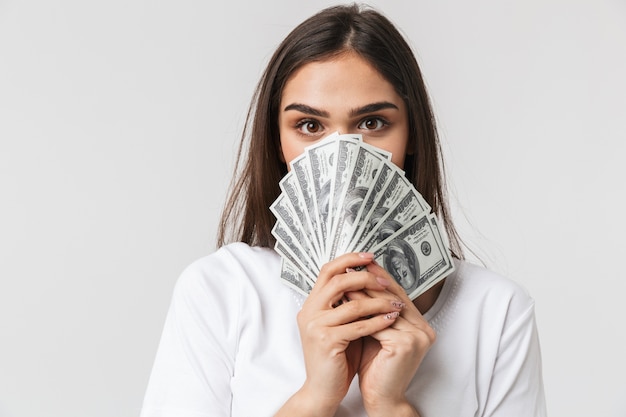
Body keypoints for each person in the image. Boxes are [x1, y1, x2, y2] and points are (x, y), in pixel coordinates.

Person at [140, 4, 546, 417]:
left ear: (414, 135)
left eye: (371, 123)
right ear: (277, 144)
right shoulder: (220, 291)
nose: (343, 154)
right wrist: (314, 398)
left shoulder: (497, 311)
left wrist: (390, 407)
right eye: (310, 126)